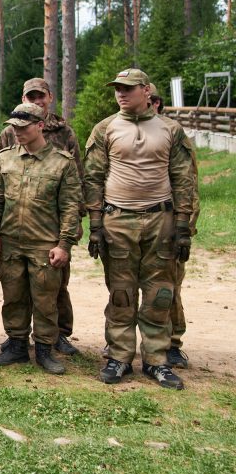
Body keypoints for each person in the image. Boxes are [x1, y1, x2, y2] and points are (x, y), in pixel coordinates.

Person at [84, 68, 197, 390]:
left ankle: (157, 361)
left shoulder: (171, 130)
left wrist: (183, 226)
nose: (121, 93)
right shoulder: (105, 129)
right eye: (118, 88)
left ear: (146, 91)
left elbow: (183, 179)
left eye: (128, 89)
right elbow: (93, 178)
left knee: (159, 294)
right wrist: (95, 226)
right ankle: (119, 357)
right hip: (117, 220)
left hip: (159, 220)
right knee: (120, 293)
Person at [0, 103, 82, 374]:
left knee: (45, 300)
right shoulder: (6, 158)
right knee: (13, 295)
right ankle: (17, 345)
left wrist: (64, 245)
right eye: (14, 127)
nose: (17, 132)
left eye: (23, 127)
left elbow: (70, 207)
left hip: (44, 243)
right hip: (11, 241)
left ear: (40, 125)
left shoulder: (62, 162)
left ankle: (44, 349)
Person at [149, 88, 198, 370]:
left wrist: (184, 228)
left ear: (155, 102)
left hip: (169, 224)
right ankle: (125, 342)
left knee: (168, 289)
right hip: (134, 224)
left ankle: (173, 344)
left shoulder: (174, 134)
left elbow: (188, 185)